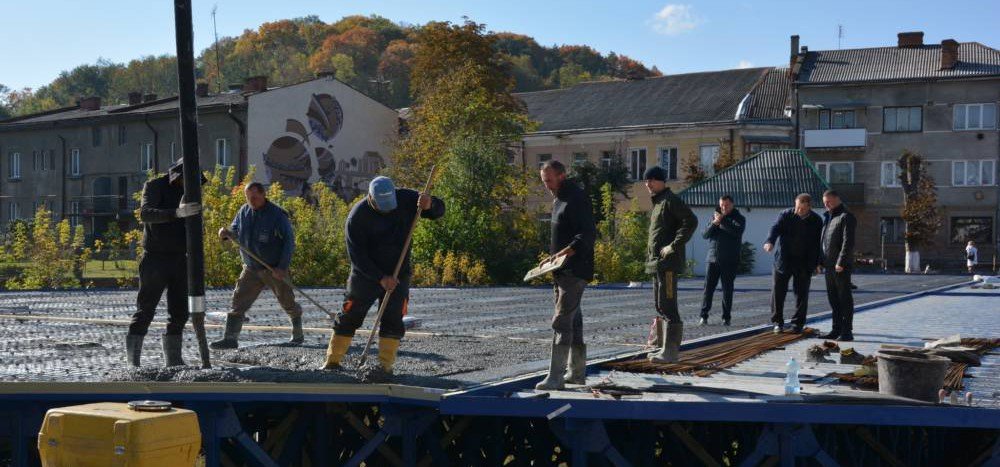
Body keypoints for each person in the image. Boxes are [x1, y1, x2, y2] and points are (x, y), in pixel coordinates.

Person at [320, 176, 445, 373]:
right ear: (371, 198)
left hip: (398, 274)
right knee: (349, 315)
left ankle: (384, 366)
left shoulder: (407, 199)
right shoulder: (357, 218)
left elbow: (439, 211)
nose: (388, 210)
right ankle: (332, 361)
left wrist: (431, 205)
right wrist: (380, 277)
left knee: (394, 319)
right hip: (365, 275)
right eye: (382, 206)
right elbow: (357, 257)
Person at [125, 160, 203, 367]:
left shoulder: (193, 190)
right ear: (177, 175)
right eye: (185, 179)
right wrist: (176, 213)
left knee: (180, 312)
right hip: (155, 258)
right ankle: (133, 362)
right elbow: (145, 214)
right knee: (146, 309)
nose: (188, 184)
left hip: (180, 258)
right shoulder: (155, 186)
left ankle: (173, 360)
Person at [211, 182, 302, 349]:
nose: (251, 200)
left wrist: (282, 267)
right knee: (238, 302)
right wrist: (226, 234)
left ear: (263, 195)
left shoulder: (277, 215)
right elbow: (235, 230)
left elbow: (289, 242)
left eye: (254, 197)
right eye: (248, 197)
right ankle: (230, 339)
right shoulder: (244, 212)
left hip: (273, 268)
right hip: (251, 268)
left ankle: (298, 334)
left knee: (287, 300)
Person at [535, 161, 597, 390]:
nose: (546, 185)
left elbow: (588, 234)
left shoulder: (576, 198)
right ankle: (577, 373)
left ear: (562, 176)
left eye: (549, 180)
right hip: (561, 270)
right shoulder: (559, 197)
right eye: (543, 181)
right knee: (574, 323)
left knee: (561, 321)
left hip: (575, 270)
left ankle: (555, 377)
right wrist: (550, 261)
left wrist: (564, 253)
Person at [644, 166, 697, 363]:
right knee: (660, 305)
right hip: (657, 264)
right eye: (646, 181)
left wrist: (673, 245)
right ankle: (665, 348)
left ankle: (671, 352)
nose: (648, 184)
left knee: (668, 305)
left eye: (651, 180)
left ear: (661, 181)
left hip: (668, 264)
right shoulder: (658, 203)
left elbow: (690, 221)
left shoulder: (670, 201)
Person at [763, 193, 823, 334]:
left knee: (801, 294)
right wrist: (769, 241)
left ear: (809, 207)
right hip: (784, 259)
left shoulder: (816, 220)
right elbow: (775, 228)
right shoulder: (785, 215)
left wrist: (818, 263)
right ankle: (778, 322)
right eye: (797, 207)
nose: (798, 211)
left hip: (804, 261)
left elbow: (818, 244)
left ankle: (797, 324)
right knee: (778, 292)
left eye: (802, 209)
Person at [699, 195, 746, 326]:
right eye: (721, 205)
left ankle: (726, 317)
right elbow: (705, 234)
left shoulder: (740, 219)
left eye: (726, 205)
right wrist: (715, 223)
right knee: (708, 289)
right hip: (712, 258)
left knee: (727, 289)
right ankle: (704, 315)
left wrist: (722, 221)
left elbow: (736, 232)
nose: (723, 208)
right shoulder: (715, 217)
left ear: (732, 205)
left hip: (730, 260)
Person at [819, 190, 857, 341]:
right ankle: (836, 329)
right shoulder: (828, 217)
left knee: (844, 299)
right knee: (833, 299)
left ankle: (847, 332)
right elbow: (823, 242)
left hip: (840, 266)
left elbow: (848, 242)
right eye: (824, 202)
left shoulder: (846, 217)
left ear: (837, 199)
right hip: (828, 266)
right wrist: (820, 262)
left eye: (829, 201)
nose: (826, 205)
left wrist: (841, 261)